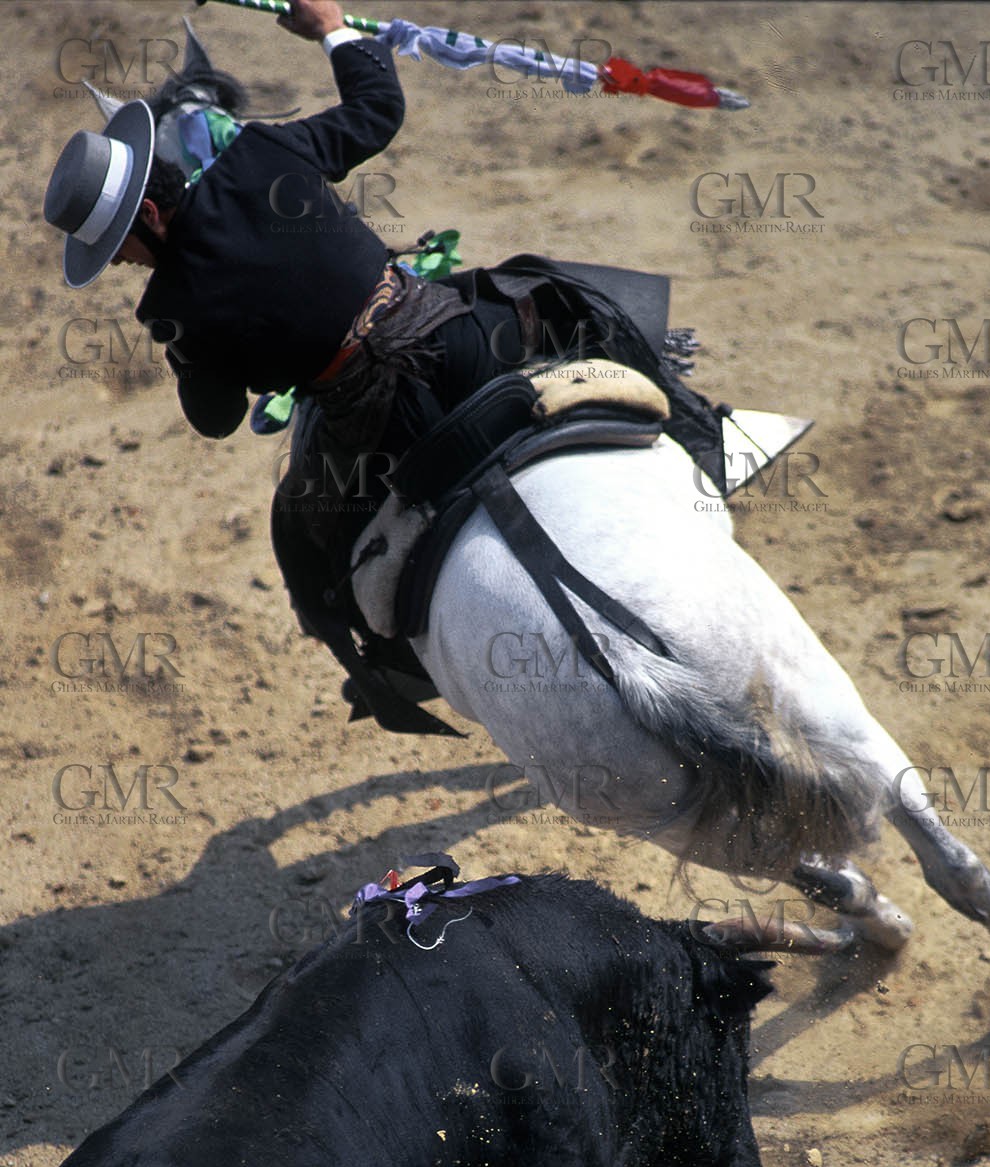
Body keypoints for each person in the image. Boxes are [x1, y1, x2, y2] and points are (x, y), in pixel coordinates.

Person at [44, 0, 723, 729]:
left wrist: (182, 344)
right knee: (566, 297)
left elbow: (215, 420)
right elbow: (377, 109)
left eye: (119, 245)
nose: (122, 263)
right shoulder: (261, 156)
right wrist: (333, 27)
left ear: (147, 216)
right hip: (463, 341)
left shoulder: (168, 303)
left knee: (304, 544)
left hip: (380, 427)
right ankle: (705, 433)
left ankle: (398, 670)